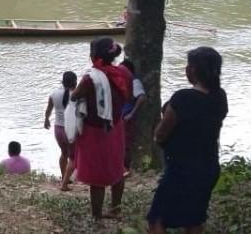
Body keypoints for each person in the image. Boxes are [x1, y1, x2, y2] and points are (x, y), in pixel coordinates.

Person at [148, 47, 228, 234]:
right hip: (209, 167)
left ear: (192, 70)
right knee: (194, 219)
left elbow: (161, 134)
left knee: (156, 219)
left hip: (182, 169)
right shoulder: (220, 97)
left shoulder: (183, 98)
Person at [69, 37, 132, 219]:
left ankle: (97, 214)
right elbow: (128, 97)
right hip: (117, 126)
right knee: (117, 167)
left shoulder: (91, 78)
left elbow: (75, 97)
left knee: (97, 175)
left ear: (93, 55)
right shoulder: (124, 73)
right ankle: (116, 209)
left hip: (96, 131)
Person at [44, 71, 77, 190]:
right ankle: (65, 183)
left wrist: (46, 120)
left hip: (58, 129)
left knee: (64, 153)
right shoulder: (76, 94)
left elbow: (48, 110)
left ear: (63, 82)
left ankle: (64, 177)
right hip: (70, 129)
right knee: (73, 157)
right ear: (75, 82)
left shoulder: (54, 94)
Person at [121, 59, 147, 173]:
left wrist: (131, 113)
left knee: (125, 143)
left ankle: (125, 167)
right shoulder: (125, 80)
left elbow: (141, 97)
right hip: (120, 115)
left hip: (126, 116)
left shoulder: (134, 81)